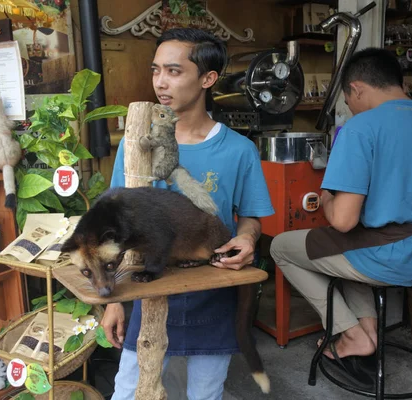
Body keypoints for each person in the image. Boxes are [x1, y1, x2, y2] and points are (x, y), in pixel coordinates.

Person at [270, 48, 412, 387]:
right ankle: (368, 331)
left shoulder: (361, 128)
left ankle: (351, 333)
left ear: (356, 89)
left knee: (282, 247)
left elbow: (342, 220)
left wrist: (328, 196)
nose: (349, 108)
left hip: (391, 258)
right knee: (347, 248)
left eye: (347, 100)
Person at [104, 28, 275, 399]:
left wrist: (246, 237)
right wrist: (115, 301)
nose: (160, 83)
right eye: (155, 71)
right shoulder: (136, 148)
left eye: (174, 71)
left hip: (211, 292)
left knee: (206, 392)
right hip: (146, 289)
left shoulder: (239, 151)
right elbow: (116, 226)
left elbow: (250, 216)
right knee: (131, 390)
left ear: (208, 79)